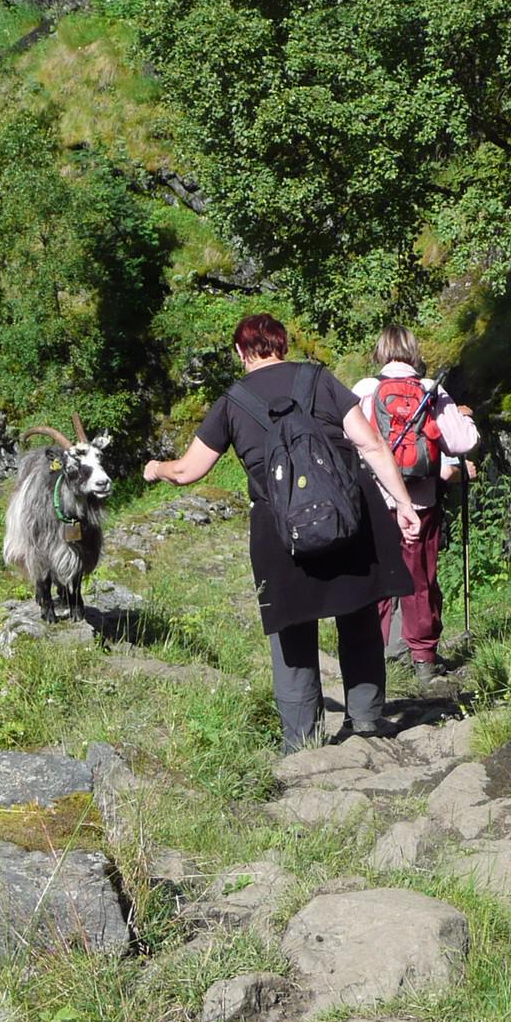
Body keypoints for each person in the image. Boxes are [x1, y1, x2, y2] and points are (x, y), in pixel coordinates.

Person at [143, 314, 420, 752]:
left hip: (280, 529)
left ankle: (304, 744)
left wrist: (156, 468)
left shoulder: (232, 402)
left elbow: (187, 471)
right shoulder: (319, 379)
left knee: (292, 634)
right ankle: (366, 721)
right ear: (283, 344)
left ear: (241, 352)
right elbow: (370, 444)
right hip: (347, 517)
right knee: (359, 616)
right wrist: (403, 503)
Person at [353, 325, 479, 683]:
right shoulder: (431, 390)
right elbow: (463, 442)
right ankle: (423, 659)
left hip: (376, 502)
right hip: (422, 501)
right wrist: (466, 420)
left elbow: (346, 441)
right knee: (420, 580)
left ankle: (372, 662)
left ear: (380, 352)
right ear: (414, 352)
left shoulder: (364, 390)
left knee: (377, 580)